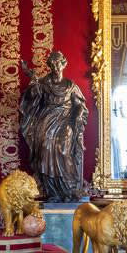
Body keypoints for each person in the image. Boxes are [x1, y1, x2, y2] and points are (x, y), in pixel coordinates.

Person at [18, 50, 89, 202]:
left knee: (64, 150)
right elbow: (32, 98)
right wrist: (33, 82)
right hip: (46, 120)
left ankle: (69, 189)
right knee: (45, 149)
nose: (56, 67)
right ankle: (52, 192)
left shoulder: (70, 85)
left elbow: (79, 105)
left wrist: (78, 114)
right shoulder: (44, 83)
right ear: (50, 66)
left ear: (64, 64)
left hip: (66, 121)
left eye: (58, 64)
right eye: (53, 64)